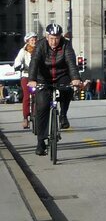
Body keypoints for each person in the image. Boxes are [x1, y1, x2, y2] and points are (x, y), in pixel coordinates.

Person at [28, 23, 83, 155]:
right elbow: (34, 62)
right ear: (47, 37)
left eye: (57, 38)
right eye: (52, 38)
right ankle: (41, 142)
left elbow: (71, 62)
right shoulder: (40, 45)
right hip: (43, 78)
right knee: (42, 107)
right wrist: (32, 80)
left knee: (67, 89)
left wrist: (75, 78)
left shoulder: (66, 45)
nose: (54, 41)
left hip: (61, 75)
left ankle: (63, 115)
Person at [12, 32, 37, 130]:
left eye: (35, 39)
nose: (34, 41)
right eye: (32, 40)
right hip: (26, 76)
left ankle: (38, 115)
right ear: (27, 41)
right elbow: (17, 61)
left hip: (37, 77)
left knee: (38, 96)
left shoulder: (40, 49)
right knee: (27, 96)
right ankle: (25, 118)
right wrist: (19, 66)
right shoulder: (23, 51)